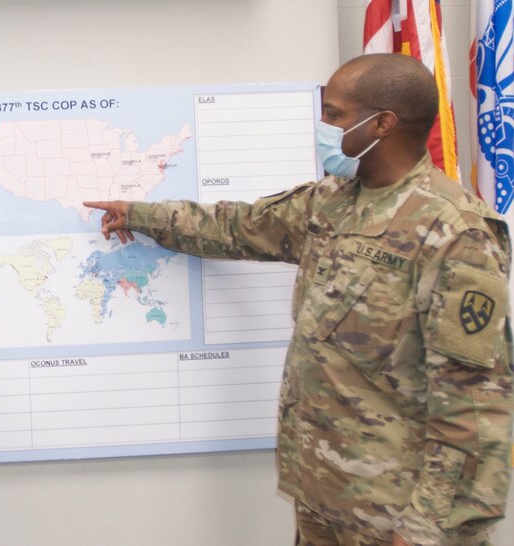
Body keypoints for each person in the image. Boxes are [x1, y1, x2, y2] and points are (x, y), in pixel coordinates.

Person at [85, 53, 514, 546]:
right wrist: (139, 214)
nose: (323, 125)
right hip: (324, 495)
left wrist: (426, 530)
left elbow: (474, 404)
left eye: (334, 114)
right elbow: (237, 227)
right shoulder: (332, 200)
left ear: (384, 123)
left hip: (397, 516)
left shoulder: (455, 231)